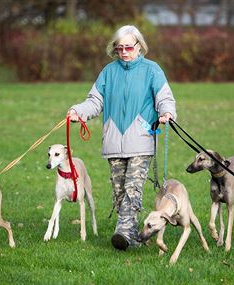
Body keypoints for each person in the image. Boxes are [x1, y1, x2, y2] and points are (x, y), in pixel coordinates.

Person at [66, 25, 176, 250]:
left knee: (133, 189)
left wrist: (166, 112)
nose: (124, 52)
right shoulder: (108, 72)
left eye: (128, 47)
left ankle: (122, 233)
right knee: (119, 191)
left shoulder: (152, 70)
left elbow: (164, 97)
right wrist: (79, 111)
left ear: (139, 46)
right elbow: (95, 101)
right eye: (119, 48)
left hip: (142, 139)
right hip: (114, 141)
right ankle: (134, 237)